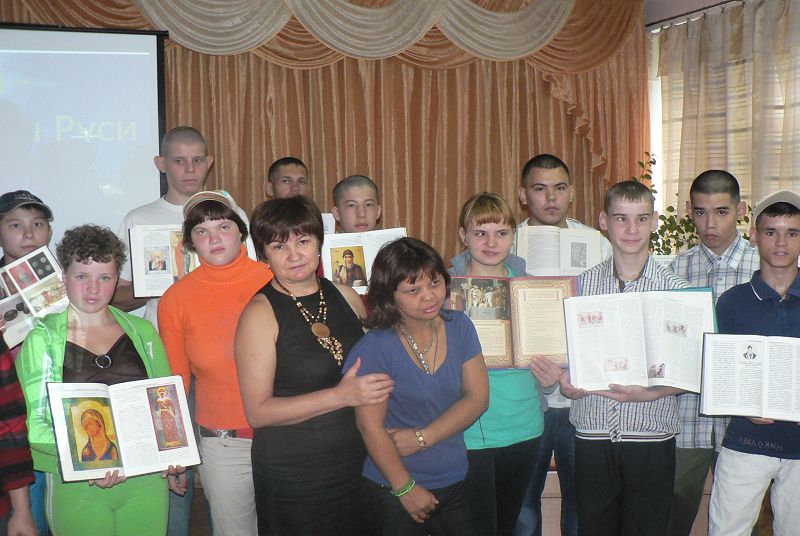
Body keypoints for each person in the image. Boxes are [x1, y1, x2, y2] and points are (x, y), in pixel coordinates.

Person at [112, 127, 253, 536]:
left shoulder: (233, 212)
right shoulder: (138, 219)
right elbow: (114, 295)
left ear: (210, 162)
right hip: (164, 358)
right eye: (178, 160)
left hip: (226, 364)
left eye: (197, 160)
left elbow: (251, 281)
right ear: (161, 164)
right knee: (174, 464)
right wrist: (155, 284)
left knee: (232, 476)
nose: (189, 169)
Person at [235, 195, 392, 535]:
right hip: (294, 475)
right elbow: (257, 413)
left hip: (357, 461)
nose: (294, 255)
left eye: (303, 241)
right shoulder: (259, 314)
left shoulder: (346, 296)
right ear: (264, 255)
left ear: (320, 243)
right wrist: (341, 396)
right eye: (279, 246)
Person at [16, 224, 182, 535]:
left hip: (145, 480)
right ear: (63, 278)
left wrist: (174, 453)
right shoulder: (43, 339)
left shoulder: (143, 332)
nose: (93, 289)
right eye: (82, 276)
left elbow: (165, 408)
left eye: (105, 278)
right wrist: (91, 461)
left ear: (117, 279)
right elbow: (34, 424)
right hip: (77, 483)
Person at [554, 181, 688, 536]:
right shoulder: (579, 287)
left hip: (651, 436)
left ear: (654, 221)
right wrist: (566, 383)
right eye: (621, 218)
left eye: (641, 218)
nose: (631, 229)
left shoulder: (677, 291)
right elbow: (566, 359)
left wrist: (651, 393)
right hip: (592, 434)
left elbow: (692, 369)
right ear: (603, 221)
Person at [345, 237, 489, 535]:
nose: (429, 296)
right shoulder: (375, 347)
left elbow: (477, 398)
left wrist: (422, 438)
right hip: (393, 487)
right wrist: (405, 489)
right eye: (413, 290)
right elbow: (369, 427)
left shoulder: (459, 326)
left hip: (455, 478)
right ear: (390, 295)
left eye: (435, 283)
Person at [158, 191, 272, 536]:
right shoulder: (176, 299)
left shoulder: (274, 280)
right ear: (190, 243)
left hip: (287, 437)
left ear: (241, 231)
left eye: (223, 226)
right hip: (223, 446)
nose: (214, 238)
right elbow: (174, 384)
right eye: (201, 231)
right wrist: (173, 451)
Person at [514, 154, 611, 536]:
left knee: (581, 505)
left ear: (571, 192)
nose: (550, 198)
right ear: (524, 195)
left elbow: (609, 315)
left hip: (580, 398)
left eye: (559, 188)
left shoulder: (597, 244)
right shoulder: (506, 240)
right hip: (527, 397)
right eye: (540, 189)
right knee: (522, 507)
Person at [449, 193, 554, 536]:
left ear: (513, 235)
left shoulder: (533, 288)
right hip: (467, 431)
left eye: (501, 233)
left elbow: (551, 354)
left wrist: (552, 375)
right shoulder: (441, 290)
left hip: (525, 426)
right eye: (480, 233)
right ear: (463, 236)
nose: (491, 243)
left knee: (510, 526)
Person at [665, 170, 758, 536]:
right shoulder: (675, 269)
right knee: (671, 511)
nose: (710, 224)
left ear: (741, 210)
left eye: (721, 212)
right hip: (686, 416)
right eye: (701, 212)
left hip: (744, 418)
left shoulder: (762, 268)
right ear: (690, 211)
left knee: (741, 520)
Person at [708, 191, 800, 535]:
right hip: (746, 443)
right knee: (726, 531)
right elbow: (721, 376)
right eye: (771, 232)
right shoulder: (731, 303)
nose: (781, 242)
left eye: (792, 233)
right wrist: (742, 405)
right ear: (754, 235)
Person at [0, 190, 55, 536]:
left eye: (37, 224)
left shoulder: (72, 279)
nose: (28, 233)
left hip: (58, 410)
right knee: (27, 513)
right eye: (15, 225)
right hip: (12, 422)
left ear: (49, 231)